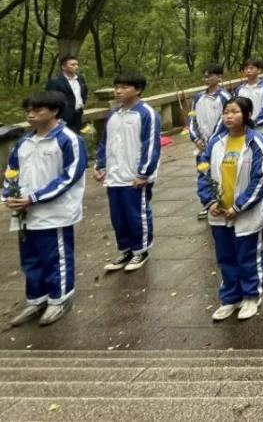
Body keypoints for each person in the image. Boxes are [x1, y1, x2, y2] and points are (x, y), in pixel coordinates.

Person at [3, 92, 87, 327]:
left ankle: (60, 299)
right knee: (30, 258)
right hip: (25, 212)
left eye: (38, 110)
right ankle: (36, 299)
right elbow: (12, 171)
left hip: (55, 211)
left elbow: (70, 176)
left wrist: (35, 197)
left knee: (55, 256)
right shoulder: (23, 142)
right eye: (29, 110)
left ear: (54, 112)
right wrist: (9, 195)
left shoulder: (68, 139)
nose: (31, 114)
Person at [197, 96, 263, 321]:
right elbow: (203, 171)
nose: (229, 116)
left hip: (245, 212)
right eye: (226, 112)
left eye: (234, 112)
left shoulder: (255, 142)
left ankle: (251, 296)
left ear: (246, 115)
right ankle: (230, 297)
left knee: (248, 254)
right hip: (220, 212)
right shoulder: (216, 142)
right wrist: (210, 201)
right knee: (225, 256)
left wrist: (239, 205)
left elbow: (261, 178)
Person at [95, 72, 160, 273]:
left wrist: (143, 173)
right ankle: (125, 250)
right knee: (118, 216)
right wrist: (101, 165)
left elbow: (151, 145)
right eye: (117, 87)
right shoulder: (113, 114)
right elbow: (105, 142)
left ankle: (141, 250)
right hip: (115, 176)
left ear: (138, 89)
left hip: (135, 177)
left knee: (136, 215)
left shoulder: (146, 113)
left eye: (124, 87)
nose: (118, 91)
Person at [189, 64, 230, 219]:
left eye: (209, 76)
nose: (206, 79)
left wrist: (211, 141)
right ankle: (208, 203)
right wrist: (196, 138)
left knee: (220, 171)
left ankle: (223, 200)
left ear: (218, 77)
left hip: (219, 143)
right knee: (203, 172)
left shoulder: (224, 97)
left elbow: (224, 120)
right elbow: (192, 118)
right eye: (204, 76)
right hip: (201, 144)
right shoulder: (198, 97)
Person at [45, 56, 88, 133]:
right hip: (62, 116)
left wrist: (82, 103)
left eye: (77, 64)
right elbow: (50, 100)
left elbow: (84, 92)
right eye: (73, 65)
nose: (76, 67)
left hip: (78, 114)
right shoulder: (55, 81)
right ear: (63, 67)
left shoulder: (80, 78)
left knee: (76, 137)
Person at [236, 59, 263, 133]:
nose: (248, 71)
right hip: (243, 128)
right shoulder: (240, 89)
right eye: (246, 68)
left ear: (259, 70)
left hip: (261, 129)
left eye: (251, 68)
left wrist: (254, 123)